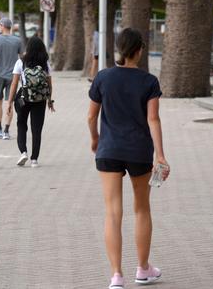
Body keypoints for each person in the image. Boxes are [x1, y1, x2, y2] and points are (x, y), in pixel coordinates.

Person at [87, 28, 169, 289]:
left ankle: (116, 276)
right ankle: (143, 270)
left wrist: (95, 139)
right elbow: (153, 119)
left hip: (108, 150)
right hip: (138, 151)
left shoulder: (103, 78)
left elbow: (91, 116)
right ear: (139, 50)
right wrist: (161, 155)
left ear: (120, 50)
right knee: (142, 209)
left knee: (112, 213)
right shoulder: (149, 82)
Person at [6, 36, 54, 168]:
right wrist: (50, 100)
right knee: (36, 129)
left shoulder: (21, 62)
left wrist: (9, 102)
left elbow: (14, 84)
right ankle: (34, 160)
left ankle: (23, 152)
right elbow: (49, 85)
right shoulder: (45, 63)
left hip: (23, 98)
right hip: (40, 99)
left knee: (21, 125)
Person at [0, 18, 23, 140]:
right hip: (13, 76)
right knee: (10, 102)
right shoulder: (18, 41)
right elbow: (21, 59)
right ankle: (6, 131)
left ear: (3, 26)